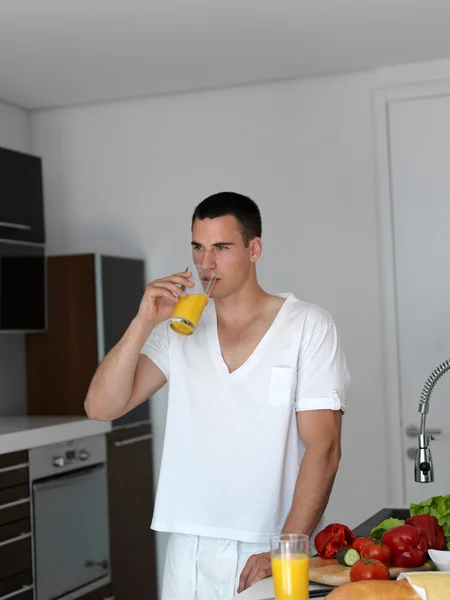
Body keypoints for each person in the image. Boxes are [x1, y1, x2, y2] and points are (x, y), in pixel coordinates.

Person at [85, 191, 350, 600]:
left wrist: (286, 548)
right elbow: (102, 407)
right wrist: (143, 321)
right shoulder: (180, 330)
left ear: (254, 248)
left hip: (268, 545)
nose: (206, 264)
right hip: (187, 547)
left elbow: (325, 446)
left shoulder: (307, 326)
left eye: (222, 248)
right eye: (198, 248)